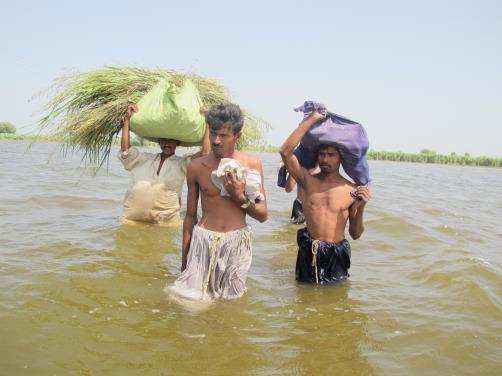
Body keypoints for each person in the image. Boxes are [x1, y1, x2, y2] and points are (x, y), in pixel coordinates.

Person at [169, 102, 268, 300]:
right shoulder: (197, 167)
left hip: (236, 242)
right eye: (213, 133)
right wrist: (185, 261)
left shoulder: (251, 165)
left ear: (237, 136)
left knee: (231, 303)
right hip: (203, 240)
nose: (216, 140)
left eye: (223, 135)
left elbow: (263, 215)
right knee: (189, 301)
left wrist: (239, 196)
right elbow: (190, 217)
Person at [280, 110, 371, 284]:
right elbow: (285, 152)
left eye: (331, 155)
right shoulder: (307, 180)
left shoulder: (351, 190)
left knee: (336, 296)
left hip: (336, 253)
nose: (325, 159)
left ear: (340, 158)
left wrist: (361, 208)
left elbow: (356, 234)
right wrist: (310, 120)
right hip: (309, 249)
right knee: (304, 297)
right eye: (322, 154)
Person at [118, 104, 210, 225]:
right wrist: (126, 120)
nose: (167, 144)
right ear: (159, 142)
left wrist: (208, 122)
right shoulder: (144, 159)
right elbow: (125, 150)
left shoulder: (181, 164)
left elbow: (205, 153)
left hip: (166, 223)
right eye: (164, 140)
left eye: (171, 141)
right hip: (132, 220)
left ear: (177, 143)